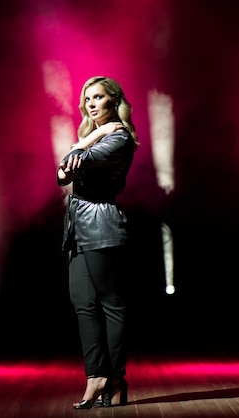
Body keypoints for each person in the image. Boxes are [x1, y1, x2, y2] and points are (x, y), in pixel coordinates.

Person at [57, 76, 139, 409]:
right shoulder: (96, 137)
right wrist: (88, 140)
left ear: (114, 100)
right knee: (82, 303)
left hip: (102, 223)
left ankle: (116, 376)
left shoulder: (118, 137)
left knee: (111, 304)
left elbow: (73, 162)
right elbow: (63, 174)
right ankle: (96, 377)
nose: (91, 104)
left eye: (99, 97)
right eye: (87, 99)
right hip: (79, 225)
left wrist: (95, 135)